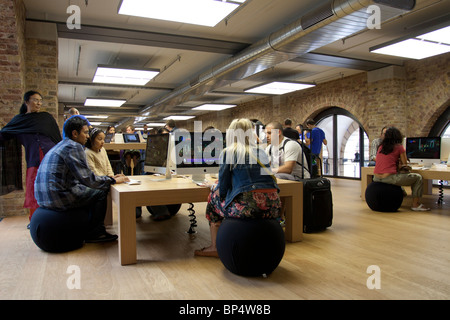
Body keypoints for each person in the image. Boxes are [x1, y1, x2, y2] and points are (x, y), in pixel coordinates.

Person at [33, 116, 129, 248]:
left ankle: (88, 226)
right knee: (101, 191)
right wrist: (112, 180)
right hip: (58, 198)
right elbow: (89, 179)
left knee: (89, 190)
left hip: (43, 198)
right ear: (75, 133)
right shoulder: (74, 146)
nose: (88, 136)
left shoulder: (61, 145)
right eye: (85, 132)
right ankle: (96, 233)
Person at [194, 118, 281, 257]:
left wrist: (213, 186)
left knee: (213, 197)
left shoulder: (229, 152)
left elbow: (223, 188)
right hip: (273, 205)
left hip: (248, 207)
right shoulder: (262, 152)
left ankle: (215, 247)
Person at [0, 90, 62, 225]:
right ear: (26, 101)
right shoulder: (19, 121)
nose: (39, 103)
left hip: (51, 157)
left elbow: (57, 138)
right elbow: (4, 134)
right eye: (35, 100)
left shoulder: (46, 118)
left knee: (53, 185)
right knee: (33, 187)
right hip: (34, 158)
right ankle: (34, 220)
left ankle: (53, 216)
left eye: (40, 100)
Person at [373, 127, 430, 212]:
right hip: (389, 177)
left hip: (376, 177)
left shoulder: (381, 147)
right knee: (418, 178)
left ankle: (402, 193)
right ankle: (415, 204)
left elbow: (386, 162)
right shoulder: (399, 147)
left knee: (397, 174)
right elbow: (405, 165)